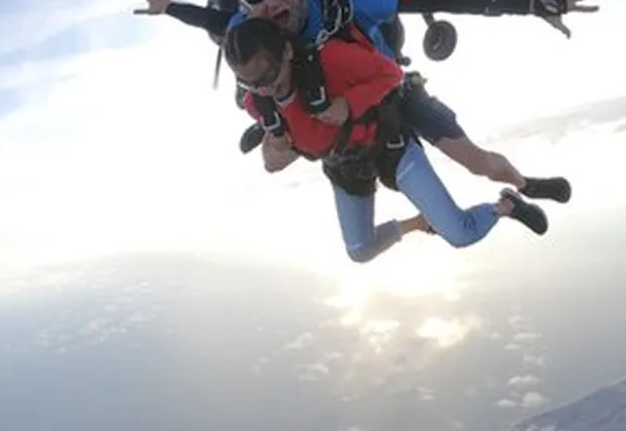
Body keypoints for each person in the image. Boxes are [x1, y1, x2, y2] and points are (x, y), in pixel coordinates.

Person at [132, 0, 601, 203]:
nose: (271, 2)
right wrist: (168, 7)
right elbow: (211, 22)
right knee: (265, 129)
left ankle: (523, 186)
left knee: (480, 164)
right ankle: (267, 127)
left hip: (387, 89)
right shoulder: (246, 25)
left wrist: (533, 4)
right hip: (324, 109)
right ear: (245, 6)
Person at [223, 16, 549, 263]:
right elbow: (276, 159)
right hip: (346, 167)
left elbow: (390, 74)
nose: (265, 87)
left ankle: (506, 206)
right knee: (360, 251)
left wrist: (348, 105)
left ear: (287, 51)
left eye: (267, 75)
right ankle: (421, 223)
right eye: (249, 82)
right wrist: (276, 143)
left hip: (389, 149)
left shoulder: (329, 60)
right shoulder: (259, 102)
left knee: (460, 233)